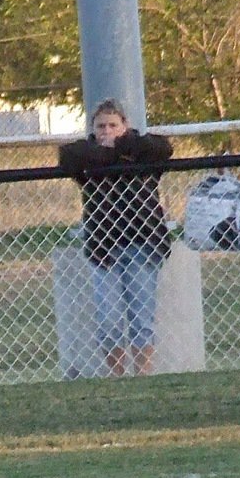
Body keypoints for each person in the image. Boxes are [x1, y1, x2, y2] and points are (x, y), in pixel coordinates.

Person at [58, 98, 173, 376]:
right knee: (108, 319)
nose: (106, 131)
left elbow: (164, 148)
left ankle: (142, 375)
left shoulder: (141, 152)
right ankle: (117, 377)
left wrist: (119, 147)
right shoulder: (88, 157)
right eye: (100, 126)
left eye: (113, 125)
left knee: (141, 317)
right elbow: (67, 157)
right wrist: (106, 154)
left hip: (142, 244)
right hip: (104, 248)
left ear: (125, 125)